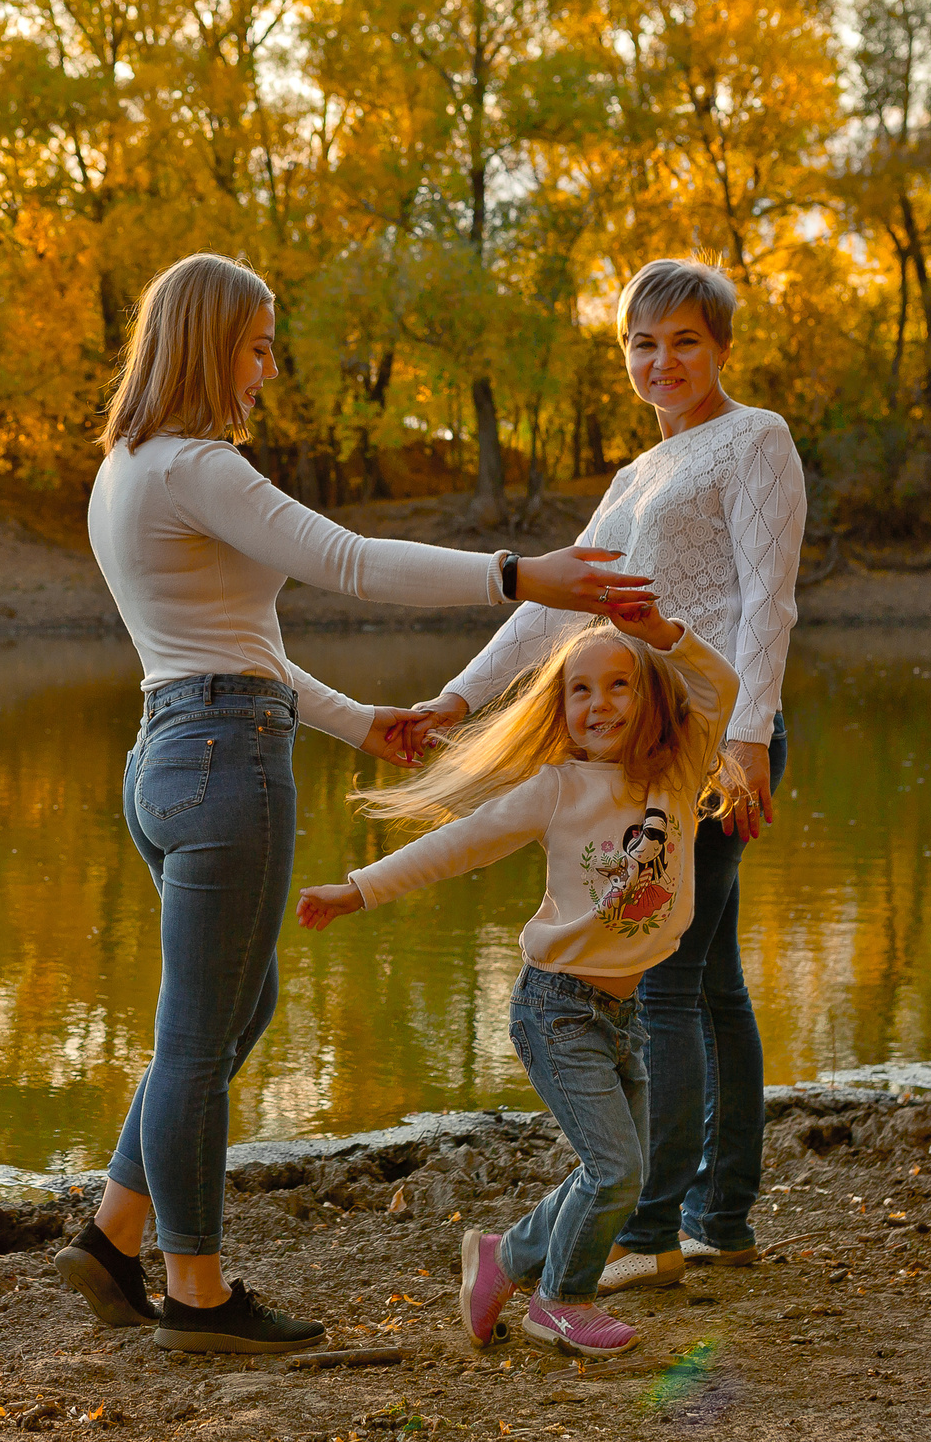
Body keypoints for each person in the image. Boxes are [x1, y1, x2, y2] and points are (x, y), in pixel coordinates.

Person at [52, 253, 653, 1357]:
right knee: (197, 1039)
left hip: (170, 753)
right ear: (207, 343)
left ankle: (110, 1238)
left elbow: (236, 645)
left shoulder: (124, 471)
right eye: (258, 344)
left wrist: (359, 721)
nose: (267, 369)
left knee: (231, 1014)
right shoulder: (199, 468)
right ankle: (194, 1294)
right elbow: (352, 561)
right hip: (225, 760)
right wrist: (522, 575)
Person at [407, 258, 805, 1293]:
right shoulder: (636, 476)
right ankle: (718, 1219)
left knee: (667, 985)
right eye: (642, 342)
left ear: (719, 346)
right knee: (709, 984)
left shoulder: (753, 439)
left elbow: (766, 601)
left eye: (683, 340)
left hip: (709, 739)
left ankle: (649, 1233)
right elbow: (553, 607)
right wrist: (455, 701)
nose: (661, 360)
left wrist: (749, 736)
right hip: (653, 746)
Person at [297, 598, 740, 1356]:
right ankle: (559, 1301)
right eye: (580, 690)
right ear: (560, 707)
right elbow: (462, 843)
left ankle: (505, 1257)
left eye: (619, 685)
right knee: (615, 1169)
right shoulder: (558, 788)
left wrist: (660, 634)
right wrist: (357, 888)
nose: (599, 703)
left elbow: (720, 687)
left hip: (622, 1014)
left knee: (617, 1173)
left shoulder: (680, 767)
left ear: (653, 696)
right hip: (557, 1008)